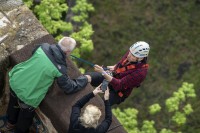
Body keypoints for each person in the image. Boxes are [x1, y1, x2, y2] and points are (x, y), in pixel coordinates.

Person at [0, 37, 92, 133]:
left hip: (16, 80)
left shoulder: (43, 47)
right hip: (28, 95)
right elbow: (69, 87)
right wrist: (85, 79)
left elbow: (33, 54)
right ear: (68, 52)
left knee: (13, 103)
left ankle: (9, 125)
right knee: (25, 118)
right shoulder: (60, 69)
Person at [87, 41, 150, 106]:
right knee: (87, 77)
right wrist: (115, 66)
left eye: (133, 56)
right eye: (130, 52)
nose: (129, 56)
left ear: (141, 58)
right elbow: (122, 62)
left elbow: (119, 84)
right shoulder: (131, 52)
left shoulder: (141, 73)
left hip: (118, 91)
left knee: (100, 105)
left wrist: (103, 72)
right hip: (113, 75)